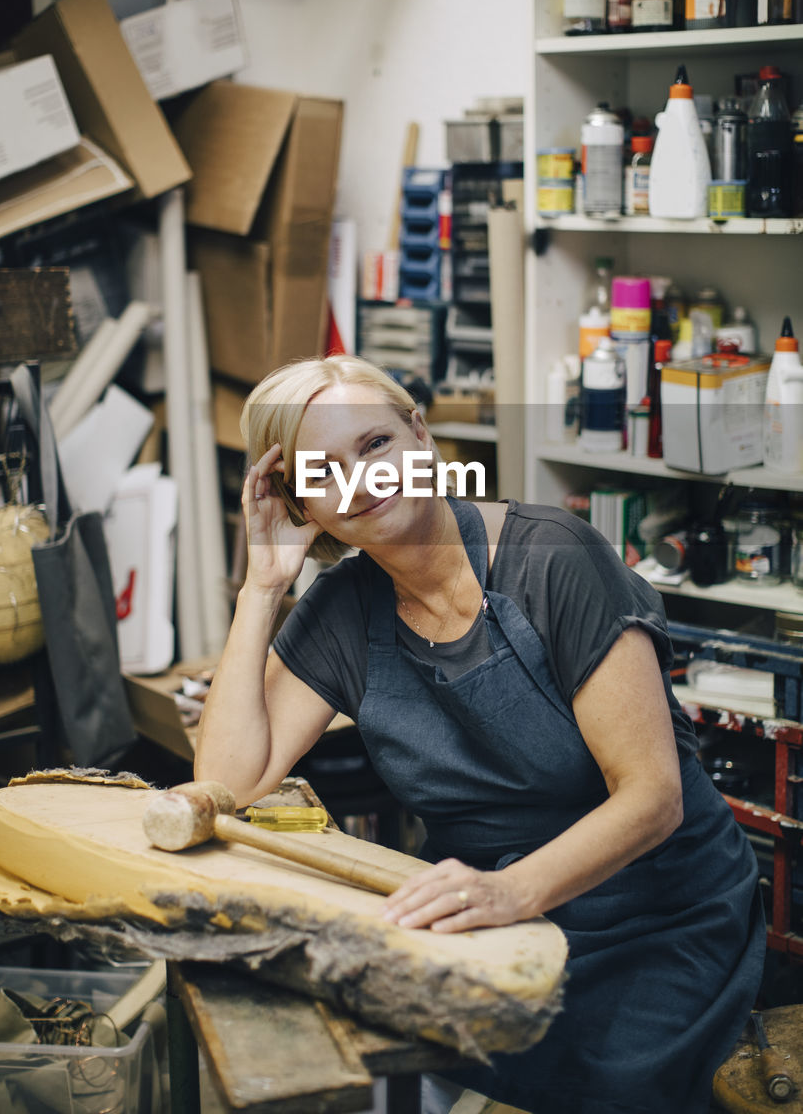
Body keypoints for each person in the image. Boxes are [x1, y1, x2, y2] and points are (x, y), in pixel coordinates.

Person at [195, 353, 765, 1114]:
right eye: (323, 473)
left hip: (651, 914)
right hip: (480, 909)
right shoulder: (343, 606)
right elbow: (226, 784)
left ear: (421, 438)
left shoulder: (553, 558)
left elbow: (654, 799)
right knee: (360, 1066)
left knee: (605, 1087)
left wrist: (509, 892)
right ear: (301, 506)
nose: (364, 481)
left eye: (374, 446)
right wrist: (261, 587)